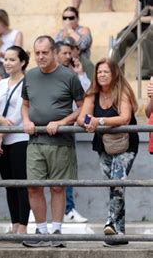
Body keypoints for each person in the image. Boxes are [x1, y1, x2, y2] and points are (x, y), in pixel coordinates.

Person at [21, 35, 84, 247]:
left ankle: (56, 231)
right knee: (34, 186)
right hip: (35, 140)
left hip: (60, 141)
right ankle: (41, 230)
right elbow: (25, 104)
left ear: (54, 53)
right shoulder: (29, 76)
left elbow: (83, 107)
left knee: (57, 187)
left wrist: (62, 122)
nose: (40, 57)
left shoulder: (69, 76)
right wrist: (26, 120)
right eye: (37, 53)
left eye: (45, 53)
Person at [78, 58, 138, 246]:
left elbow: (125, 117)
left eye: (106, 72)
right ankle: (119, 234)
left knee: (117, 183)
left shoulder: (122, 91)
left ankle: (110, 221)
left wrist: (99, 121)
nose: (102, 75)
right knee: (113, 186)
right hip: (103, 144)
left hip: (126, 144)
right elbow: (82, 117)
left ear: (114, 74)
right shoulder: (92, 94)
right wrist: (88, 123)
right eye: (99, 72)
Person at [0, 46, 30, 233]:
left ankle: (23, 225)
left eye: (12, 59)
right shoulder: (2, 83)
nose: (7, 63)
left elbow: (19, 115)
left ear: (22, 62)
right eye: (5, 59)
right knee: (8, 184)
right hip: (2, 140)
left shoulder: (26, 83)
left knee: (21, 184)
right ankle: (14, 225)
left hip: (20, 139)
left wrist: (0, 136)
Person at [54, 41, 89, 224]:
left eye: (70, 53)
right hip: (49, 128)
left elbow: (88, 97)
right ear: (56, 54)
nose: (68, 56)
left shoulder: (73, 75)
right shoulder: (48, 75)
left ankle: (68, 209)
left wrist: (81, 73)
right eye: (64, 53)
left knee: (66, 171)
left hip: (69, 127)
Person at [111, 0, 153, 80]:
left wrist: (139, 19)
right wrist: (135, 21)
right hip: (138, 28)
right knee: (121, 36)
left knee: (146, 37)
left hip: (149, 28)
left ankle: (146, 71)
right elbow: (136, 15)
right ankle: (116, 72)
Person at [0, 9, 23, 88]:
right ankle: (0, 90)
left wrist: (2, 55)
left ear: (3, 22)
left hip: (11, 68)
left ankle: (0, 90)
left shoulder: (16, 34)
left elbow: (17, 54)